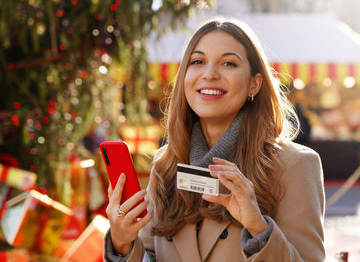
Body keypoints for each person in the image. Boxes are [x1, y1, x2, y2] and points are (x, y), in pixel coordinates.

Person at [104, 17, 325, 262]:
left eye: (229, 63)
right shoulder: (166, 164)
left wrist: (258, 229)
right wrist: (122, 244)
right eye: (197, 61)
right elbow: (150, 255)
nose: (209, 74)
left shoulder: (294, 165)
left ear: (254, 84)